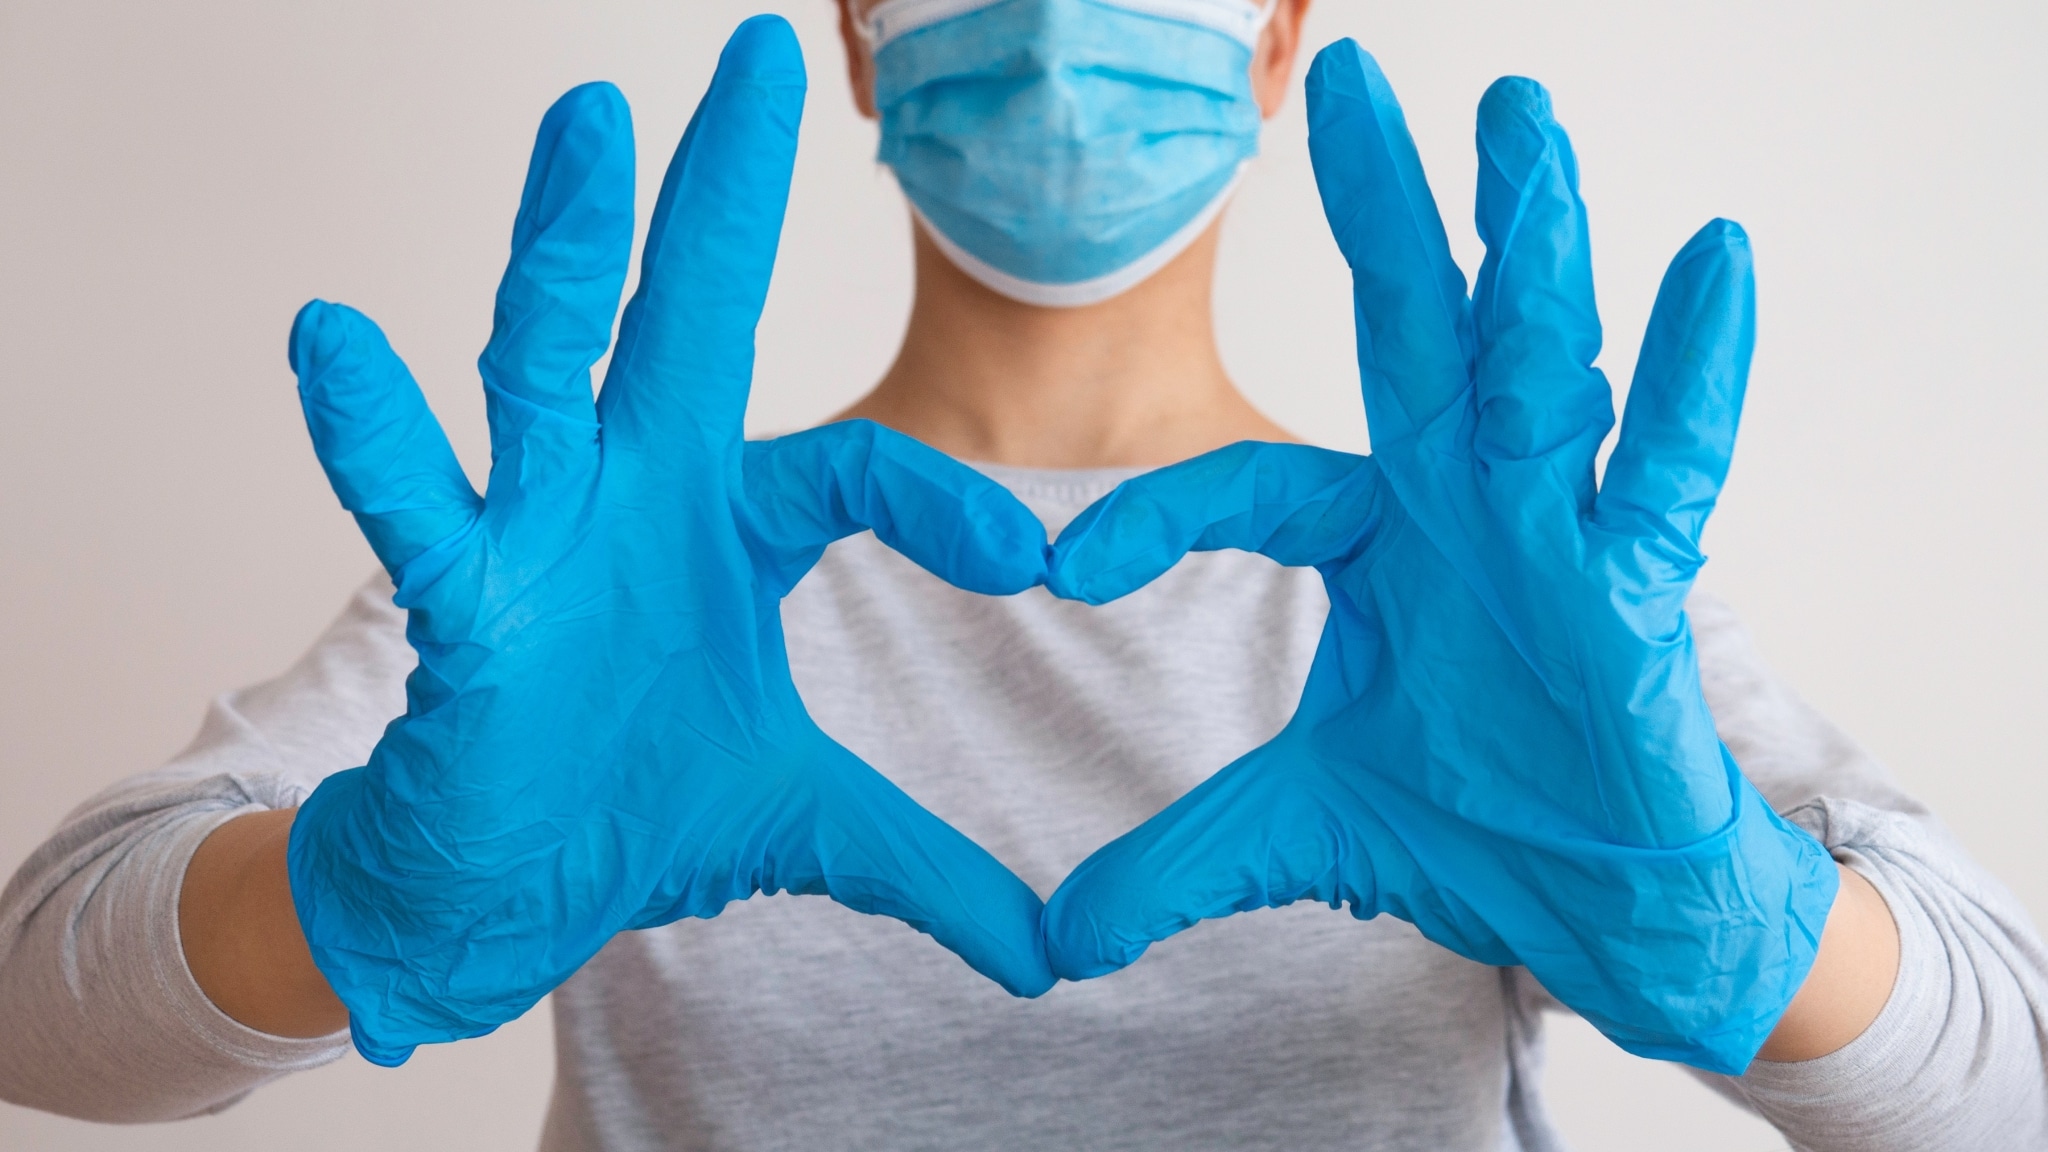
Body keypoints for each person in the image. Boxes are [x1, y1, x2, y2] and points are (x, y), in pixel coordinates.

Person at [2, 0, 2044, 1148]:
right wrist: (356, 900)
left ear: (1279, 32)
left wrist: (1730, 930)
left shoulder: (1490, 609)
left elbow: (2005, 1080)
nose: (1066, 19)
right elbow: (38, 1004)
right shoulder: (626, 602)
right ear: (860, 34)